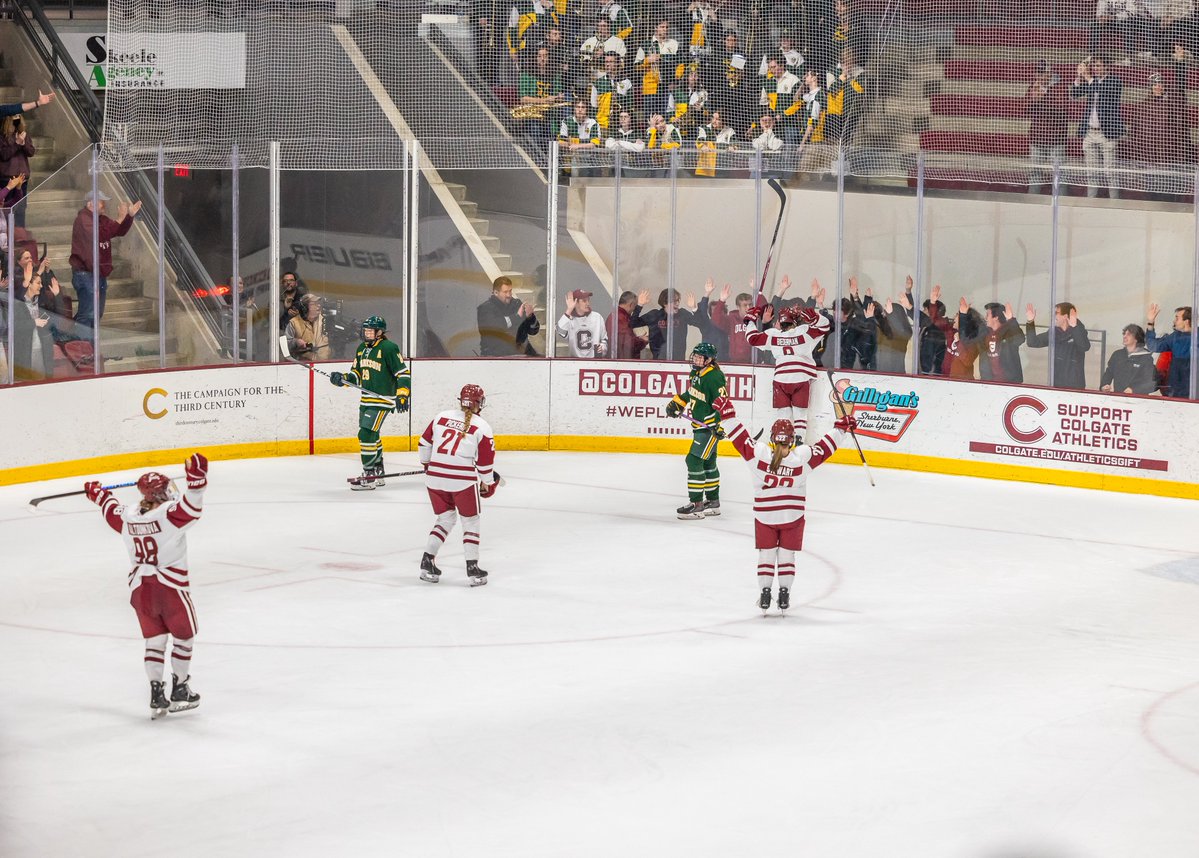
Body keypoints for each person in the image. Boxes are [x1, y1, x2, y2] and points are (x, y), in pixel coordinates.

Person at [84, 453, 209, 718]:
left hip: (141, 590)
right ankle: (180, 689)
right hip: (170, 588)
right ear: (158, 494)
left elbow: (110, 508)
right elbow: (191, 509)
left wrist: (97, 493)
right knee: (184, 638)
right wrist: (197, 481)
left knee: (154, 641)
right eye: (165, 489)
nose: (169, 493)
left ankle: (155, 693)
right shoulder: (167, 517)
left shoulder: (128, 517)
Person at [714, 394, 854, 613]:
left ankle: (765, 593)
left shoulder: (758, 456)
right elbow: (825, 449)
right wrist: (841, 429)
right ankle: (785, 594)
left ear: (772, 438)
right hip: (793, 517)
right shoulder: (802, 459)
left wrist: (727, 415)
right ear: (792, 439)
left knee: (766, 555)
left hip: (765, 516)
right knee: (787, 556)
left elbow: (740, 438)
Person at [418, 383, 498, 587]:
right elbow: (485, 464)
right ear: (480, 403)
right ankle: (472, 568)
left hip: (434, 478)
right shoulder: (483, 426)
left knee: (445, 518)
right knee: (470, 521)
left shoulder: (441, 416)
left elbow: (424, 444)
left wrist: (427, 465)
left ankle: (427, 560)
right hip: (462, 481)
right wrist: (488, 482)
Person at [329, 315, 412, 488]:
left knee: (366, 434)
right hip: (367, 399)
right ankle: (378, 469)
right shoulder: (361, 349)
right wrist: (342, 379)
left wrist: (403, 394)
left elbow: (402, 374)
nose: (366, 333)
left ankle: (369, 475)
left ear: (379, 332)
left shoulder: (389, 348)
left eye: (370, 331)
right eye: (365, 330)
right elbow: (356, 375)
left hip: (383, 399)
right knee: (371, 434)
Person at [744, 296, 831, 439]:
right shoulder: (804, 331)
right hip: (801, 378)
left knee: (783, 413)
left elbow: (752, 338)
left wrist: (750, 321)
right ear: (795, 321)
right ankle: (799, 441)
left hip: (781, 379)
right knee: (800, 414)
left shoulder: (772, 335)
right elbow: (825, 327)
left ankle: (782, 439)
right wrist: (815, 317)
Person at [664, 342, 727, 519]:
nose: (696, 359)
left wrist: (718, 425)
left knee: (693, 460)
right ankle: (713, 502)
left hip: (709, 428)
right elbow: (692, 393)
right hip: (700, 427)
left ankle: (697, 505)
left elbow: (722, 403)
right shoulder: (697, 373)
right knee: (708, 463)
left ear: (709, 359)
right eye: (696, 356)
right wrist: (678, 403)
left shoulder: (715, 377)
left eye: (700, 357)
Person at [68, 190, 141, 337]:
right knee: (88, 313)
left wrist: (129, 217)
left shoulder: (101, 219)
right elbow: (99, 234)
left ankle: (85, 345)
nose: (104, 205)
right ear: (90, 204)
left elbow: (117, 230)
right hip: (85, 274)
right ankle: (80, 347)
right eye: (101, 202)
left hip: (99, 274)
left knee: (97, 313)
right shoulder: (83, 219)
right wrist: (120, 218)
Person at [1070, 54, 1124, 199]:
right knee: (1091, 172)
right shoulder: (1091, 81)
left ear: (1107, 66)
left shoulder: (1115, 81)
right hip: (1089, 132)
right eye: (1094, 66)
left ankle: (1115, 203)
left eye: (1099, 65)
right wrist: (1079, 78)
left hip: (1107, 133)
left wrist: (1088, 78)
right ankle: (1091, 202)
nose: (1096, 68)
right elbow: (1075, 94)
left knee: (1110, 172)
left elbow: (1103, 91)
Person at [1025, 59, 1070, 195]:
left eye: (1042, 72)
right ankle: (1032, 201)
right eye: (1037, 72)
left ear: (1049, 73)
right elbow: (1025, 109)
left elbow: (1061, 109)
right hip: (1037, 137)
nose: (1039, 76)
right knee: (1035, 173)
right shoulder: (1033, 87)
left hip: (1055, 138)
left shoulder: (1060, 86)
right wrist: (1033, 100)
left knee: (1059, 174)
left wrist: (1043, 97)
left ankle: (1062, 201)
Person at [1025, 302, 1091, 389]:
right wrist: (1030, 322)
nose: (1053, 316)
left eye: (1056, 313)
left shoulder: (1078, 330)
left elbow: (1084, 347)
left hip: (1075, 386)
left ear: (1065, 316)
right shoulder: (1054, 333)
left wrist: (1074, 327)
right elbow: (1032, 342)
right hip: (1055, 384)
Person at [958, 299, 1025, 383]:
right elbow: (965, 339)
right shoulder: (984, 333)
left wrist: (1011, 320)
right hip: (989, 383)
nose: (985, 318)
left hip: (1010, 384)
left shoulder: (1007, 331)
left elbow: (1020, 339)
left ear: (996, 317)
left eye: (988, 315)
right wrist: (963, 315)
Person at [477, 275, 541, 356]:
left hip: (522, 354)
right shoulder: (485, 309)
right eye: (505, 292)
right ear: (496, 293)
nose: (509, 295)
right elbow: (495, 327)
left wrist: (530, 317)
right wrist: (517, 317)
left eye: (510, 291)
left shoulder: (517, 304)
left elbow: (533, 331)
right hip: (495, 357)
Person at [1146, 302, 1193, 397]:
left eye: (1177, 318)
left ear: (1186, 321)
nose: (1174, 321)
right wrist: (1150, 322)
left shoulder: (1195, 337)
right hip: (1174, 393)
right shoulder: (1174, 337)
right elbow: (1153, 346)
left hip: (1194, 395)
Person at [1101, 324, 1158, 394]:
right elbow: (1108, 373)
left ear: (1137, 338)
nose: (1124, 336)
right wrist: (1104, 385)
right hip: (1117, 399)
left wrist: (1134, 390)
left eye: (1128, 334)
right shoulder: (1117, 355)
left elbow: (1150, 382)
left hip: (1137, 401)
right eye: (1124, 334)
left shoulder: (1146, 358)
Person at [0, 116, 34, 228]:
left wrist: (23, 143)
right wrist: (17, 143)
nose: (16, 122)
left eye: (18, 119)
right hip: (7, 177)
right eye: (14, 119)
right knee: (7, 207)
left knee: (21, 207)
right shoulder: (2, 137)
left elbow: (31, 152)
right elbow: (4, 155)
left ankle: (20, 236)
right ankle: (7, 234)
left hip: (22, 177)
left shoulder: (23, 133)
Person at [556, 288, 608, 357]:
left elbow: (604, 340)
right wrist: (569, 310)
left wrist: (602, 348)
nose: (588, 303)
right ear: (576, 303)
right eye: (584, 301)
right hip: (575, 363)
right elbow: (560, 331)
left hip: (594, 362)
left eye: (588, 300)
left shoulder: (597, 317)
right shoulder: (569, 319)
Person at [284, 293, 331, 361]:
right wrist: (296, 342)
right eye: (313, 304)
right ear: (305, 308)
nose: (318, 306)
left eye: (318, 303)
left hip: (327, 364)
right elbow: (285, 344)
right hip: (303, 366)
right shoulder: (294, 323)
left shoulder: (325, 320)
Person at [606, 289, 648, 358]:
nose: (634, 309)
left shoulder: (617, 316)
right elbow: (628, 343)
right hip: (623, 361)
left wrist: (638, 338)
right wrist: (643, 340)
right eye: (635, 306)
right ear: (631, 305)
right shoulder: (620, 318)